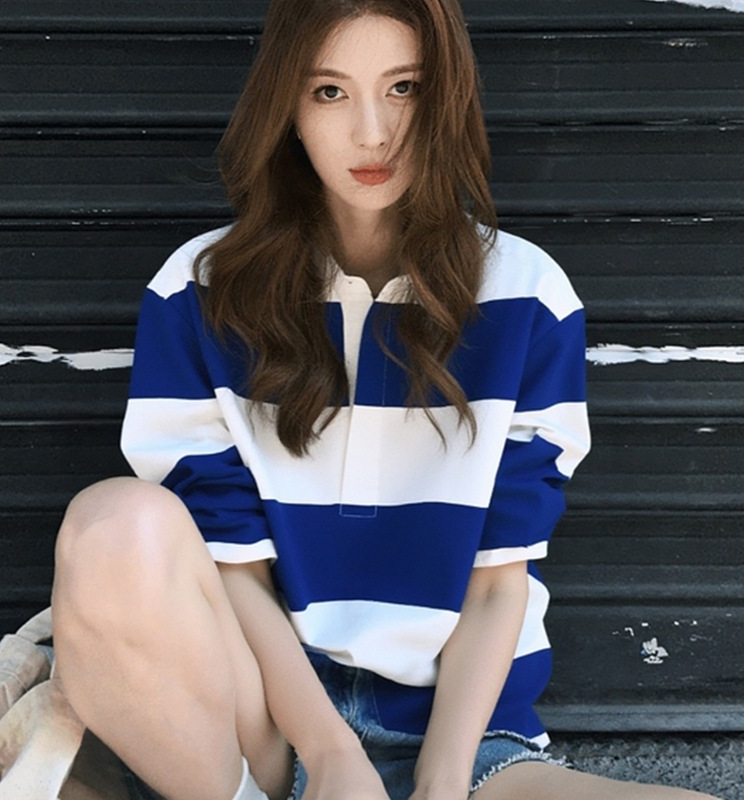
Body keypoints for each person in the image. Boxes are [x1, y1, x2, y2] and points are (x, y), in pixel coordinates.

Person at [50, 1, 722, 799]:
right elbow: (235, 572)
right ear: (288, 109)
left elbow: (497, 582)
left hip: (464, 735)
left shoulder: (527, 296)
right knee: (112, 523)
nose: (372, 133)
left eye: (404, 87)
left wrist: (442, 783)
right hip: (264, 725)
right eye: (329, 92)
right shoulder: (199, 292)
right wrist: (330, 755)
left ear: (446, 97)